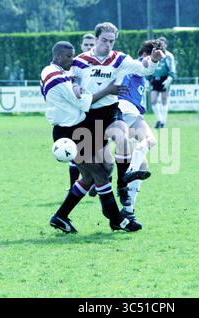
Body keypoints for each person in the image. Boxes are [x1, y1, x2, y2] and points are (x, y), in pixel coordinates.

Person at [41, 41, 142, 234]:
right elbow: (84, 103)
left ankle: (60, 216)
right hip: (69, 133)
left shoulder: (54, 72)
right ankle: (117, 220)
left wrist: (76, 84)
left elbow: (74, 87)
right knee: (99, 174)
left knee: (92, 174)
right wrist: (108, 90)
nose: (73, 59)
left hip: (75, 129)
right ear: (59, 56)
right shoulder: (56, 77)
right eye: (70, 56)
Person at [71, 22, 165, 207]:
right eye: (104, 40)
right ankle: (63, 213)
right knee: (100, 170)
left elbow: (144, 70)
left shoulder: (120, 59)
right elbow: (72, 79)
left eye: (111, 41)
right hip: (88, 115)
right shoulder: (80, 61)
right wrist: (74, 86)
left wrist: (153, 60)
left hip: (112, 111)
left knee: (122, 140)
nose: (108, 44)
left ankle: (122, 186)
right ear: (96, 39)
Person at [116, 39, 163, 223]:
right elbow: (145, 63)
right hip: (127, 109)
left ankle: (128, 209)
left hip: (126, 112)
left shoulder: (134, 70)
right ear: (146, 54)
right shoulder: (138, 65)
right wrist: (150, 59)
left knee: (143, 164)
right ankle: (129, 172)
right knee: (150, 140)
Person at [68, 33, 99, 197]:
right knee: (74, 150)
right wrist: (74, 86)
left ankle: (95, 181)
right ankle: (72, 185)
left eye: (91, 44)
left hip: (97, 112)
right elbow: (71, 80)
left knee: (96, 149)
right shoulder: (76, 62)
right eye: (86, 44)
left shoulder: (102, 62)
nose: (88, 47)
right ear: (81, 46)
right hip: (78, 112)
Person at [149, 36, 176, 129]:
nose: (160, 45)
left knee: (164, 99)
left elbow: (172, 68)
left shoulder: (168, 56)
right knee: (153, 100)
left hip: (165, 78)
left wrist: (170, 77)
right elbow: (149, 66)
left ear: (166, 45)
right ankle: (159, 120)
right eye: (158, 44)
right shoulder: (153, 54)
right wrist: (147, 78)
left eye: (162, 44)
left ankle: (163, 121)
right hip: (155, 78)